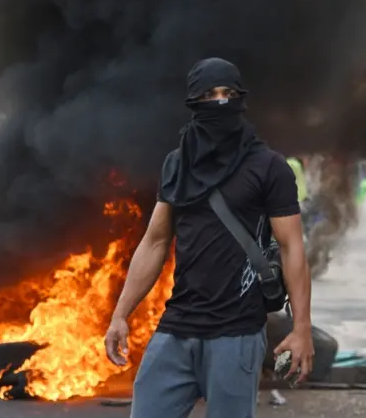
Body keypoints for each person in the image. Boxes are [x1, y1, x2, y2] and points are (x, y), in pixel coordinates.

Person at [104, 58, 314, 418]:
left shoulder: (268, 166)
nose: (220, 102)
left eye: (229, 93)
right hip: (178, 326)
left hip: (237, 334)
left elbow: (291, 247)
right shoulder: (177, 164)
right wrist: (121, 313)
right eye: (210, 94)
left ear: (241, 99)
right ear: (193, 103)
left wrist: (302, 327)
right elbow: (155, 241)